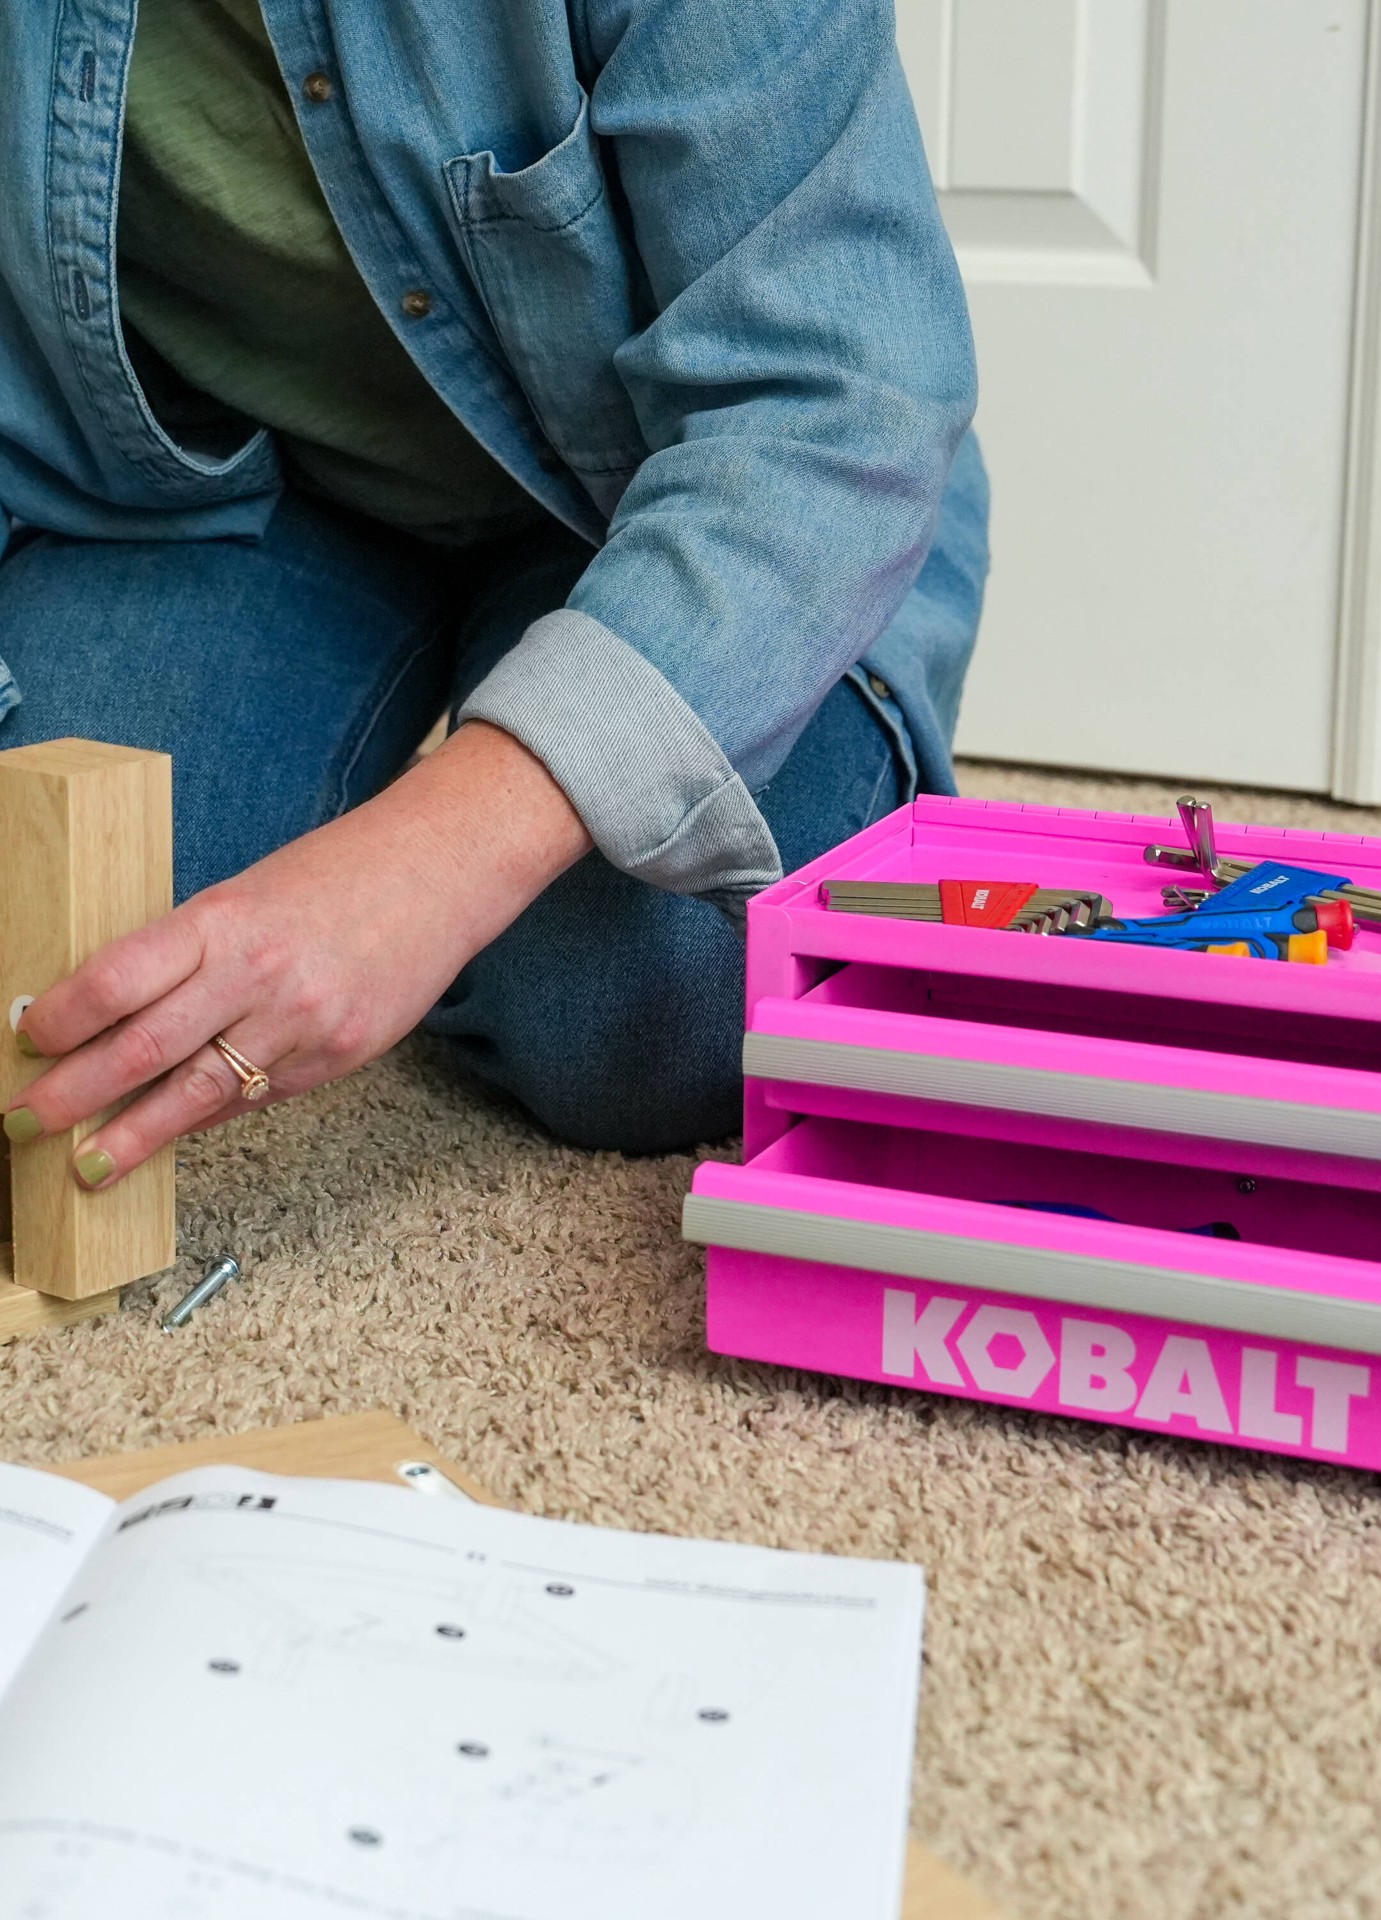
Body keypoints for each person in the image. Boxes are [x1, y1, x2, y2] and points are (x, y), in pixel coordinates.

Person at [0, 0, 986, 1183]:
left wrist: (431, 867)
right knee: (59, 943)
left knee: (638, 1013)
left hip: (681, 502)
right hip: (251, 486)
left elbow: (832, 403)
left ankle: (471, 816)